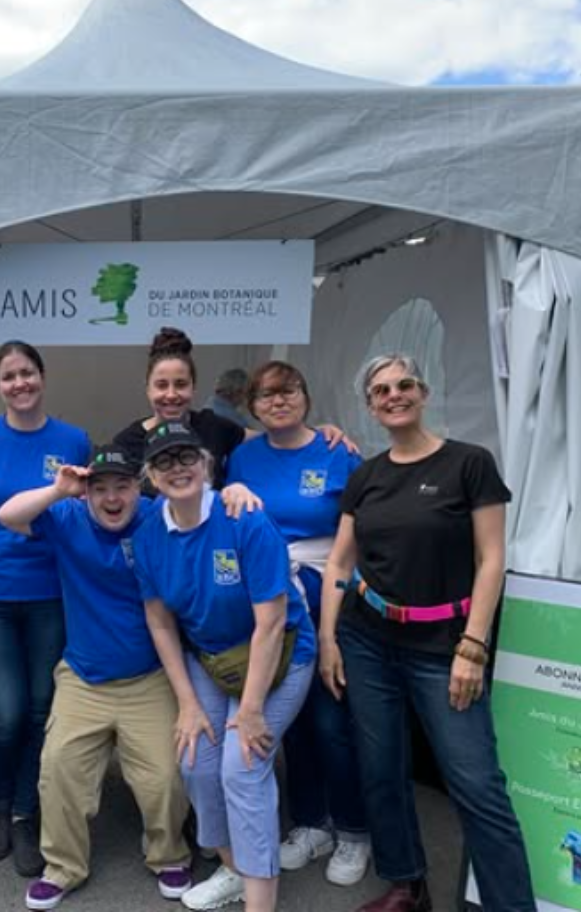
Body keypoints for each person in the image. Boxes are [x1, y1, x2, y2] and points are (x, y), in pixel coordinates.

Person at [319, 354, 534, 912]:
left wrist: (474, 645)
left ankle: (511, 905)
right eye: (381, 389)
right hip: (368, 640)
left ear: (424, 392)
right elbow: (340, 564)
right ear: (370, 405)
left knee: (476, 785)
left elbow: (492, 560)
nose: (394, 394)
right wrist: (328, 641)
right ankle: (405, 885)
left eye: (404, 384)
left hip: (445, 647)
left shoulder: (469, 464)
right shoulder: (365, 476)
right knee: (382, 769)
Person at [0, 445, 194, 909]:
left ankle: (168, 853)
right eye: (99, 488)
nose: (111, 498)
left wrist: (238, 489)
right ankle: (63, 866)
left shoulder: (157, 515)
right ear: (86, 492)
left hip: (149, 677)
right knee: (59, 768)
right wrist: (59, 488)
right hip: (84, 677)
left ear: (138, 488)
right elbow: (8, 516)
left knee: (165, 776)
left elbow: (208, 506)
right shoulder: (66, 515)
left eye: (122, 486)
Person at [133, 422, 315, 912]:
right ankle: (236, 867)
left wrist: (251, 709)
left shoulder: (245, 518)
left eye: (187, 456)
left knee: (244, 764)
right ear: (151, 475)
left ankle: (260, 901)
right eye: (165, 461)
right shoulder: (150, 532)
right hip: (211, 660)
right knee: (195, 759)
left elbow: (272, 624)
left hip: (280, 652)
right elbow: (161, 623)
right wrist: (188, 704)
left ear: (208, 463)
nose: (178, 468)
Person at [226, 361, 370, 886]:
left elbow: (363, 531)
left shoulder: (338, 452)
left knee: (332, 719)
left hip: (327, 597)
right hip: (269, 601)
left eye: (288, 391)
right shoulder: (242, 456)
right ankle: (312, 823)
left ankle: (354, 830)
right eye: (265, 396)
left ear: (306, 397)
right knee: (290, 722)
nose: (278, 401)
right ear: (253, 407)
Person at [0, 341, 91, 878]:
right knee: (6, 712)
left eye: (27, 373)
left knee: (40, 708)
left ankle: (24, 815)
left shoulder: (72, 439)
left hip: (50, 593)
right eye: (9, 376)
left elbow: (80, 514)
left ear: (42, 377)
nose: (20, 383)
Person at [114, 327, 350, 489]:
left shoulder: (213, 426)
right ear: (147, 389)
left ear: (194, 388)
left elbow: (276, 437)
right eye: (161, 385)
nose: (171, 394)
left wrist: (318, 431)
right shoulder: (127, 442)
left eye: (181, 384)